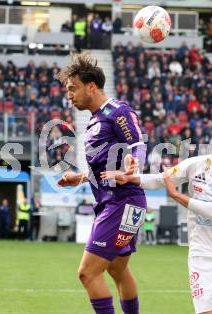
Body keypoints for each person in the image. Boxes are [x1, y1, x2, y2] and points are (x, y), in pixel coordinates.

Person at [103, 121, 212, 314]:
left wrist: (178, 196)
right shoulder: (198, 164)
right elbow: (163, 178)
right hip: (201, 258)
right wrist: (131, 178)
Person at [56, 52, 147, 314]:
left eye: (73, 89)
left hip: (122, 201)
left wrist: (133, 165)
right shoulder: (96, 120)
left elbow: (138, 145)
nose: (69, 95)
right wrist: (82, 177)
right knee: (118, 269)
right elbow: (107, 167)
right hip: (120, 201)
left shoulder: (117, 111)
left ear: (91, 86)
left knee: (87, 273)